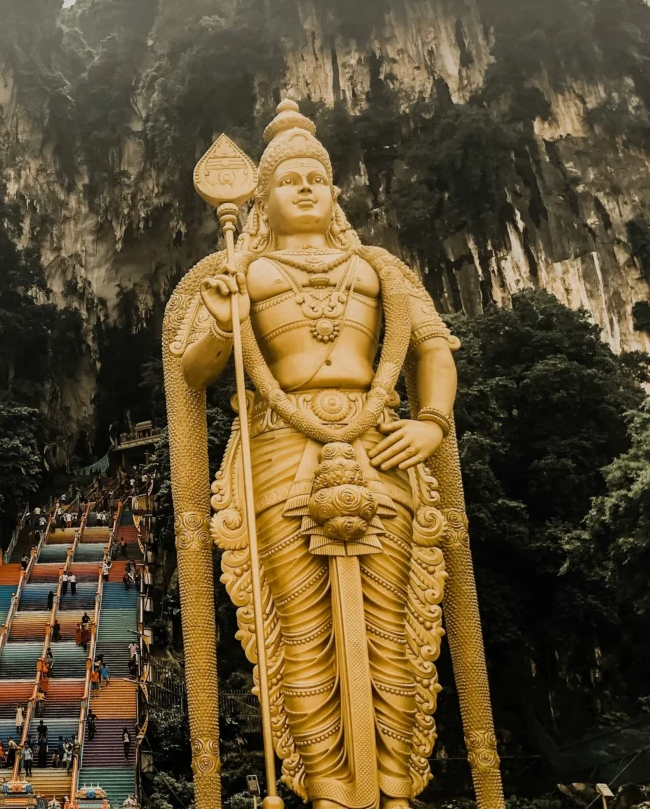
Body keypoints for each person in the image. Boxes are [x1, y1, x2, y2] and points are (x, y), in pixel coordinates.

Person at [168, 100, 472, 809]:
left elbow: (433, 349)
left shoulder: (380, 268)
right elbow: (193, 370)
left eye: (317, 176)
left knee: (393, 629)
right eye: (288, 179)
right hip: (279, 450)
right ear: (264, 197)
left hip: (381, 447)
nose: (304, 187)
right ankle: (331, 793)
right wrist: (223, 319)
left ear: (336, 192)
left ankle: (396, 789)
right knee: (299, 631)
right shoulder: (241, 269)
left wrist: (430, 422)